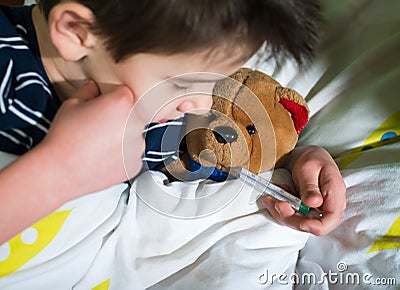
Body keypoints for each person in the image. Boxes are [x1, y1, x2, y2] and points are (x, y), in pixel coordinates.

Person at [0, 0, 345, 245]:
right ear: (77, 31)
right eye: (181, 83)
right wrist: (61, 172)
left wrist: (295, 162)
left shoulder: (155, 109)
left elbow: (211, 156)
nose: (204, 102)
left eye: (218, 82)